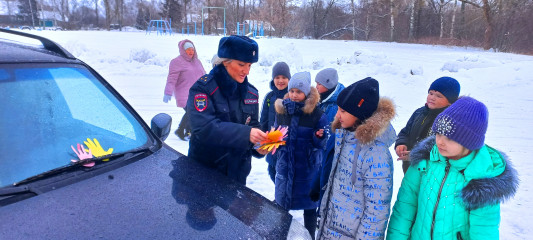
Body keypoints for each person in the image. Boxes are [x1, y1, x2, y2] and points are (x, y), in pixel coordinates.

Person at [386, 96, 519, 240]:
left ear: (468, 142)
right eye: (438, 133)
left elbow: (484, 230)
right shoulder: (425, 161)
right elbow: (405, 208)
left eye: (449, 138)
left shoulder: (482, 179)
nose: (440, 142)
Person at [316, 77, 397, 240]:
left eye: (343, 111)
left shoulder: (376, 155)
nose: (338, 115)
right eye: (338, 109)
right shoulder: (345, 136)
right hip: (331, 230)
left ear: (361, 113)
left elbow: (377, 211)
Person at [186, 35, 268, 185]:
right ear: (225, 62)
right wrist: (246, 134)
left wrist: (259, 146)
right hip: (205, 175)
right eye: (241, 64)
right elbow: (204, 128)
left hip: (237, 176)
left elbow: (253, 124)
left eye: (249, 65)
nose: (247, 71)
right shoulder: (203, 89)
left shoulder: (251, 93)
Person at [273, 71, 328, 239]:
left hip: (307, 169)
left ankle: (310, 235)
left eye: (298, 91)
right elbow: (276, 133)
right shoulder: (282, 111)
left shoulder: (317, 114)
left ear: (306, 93)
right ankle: (280, 234)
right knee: (282, 205)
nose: (294, 95)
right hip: (285, 165)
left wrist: (319, 137)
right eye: (292, 91)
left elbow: (323, 142)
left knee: (310, 207)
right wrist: (272, 140)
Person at [395, 76, 460, 174]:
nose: (432, 98)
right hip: (410, 168)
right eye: (431, 93)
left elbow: (444, 149)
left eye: (439, 96)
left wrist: (417, 155)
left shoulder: (450, 121)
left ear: (450, 102)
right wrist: (401, 143)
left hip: (432, 173)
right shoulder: (419, 113)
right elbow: (406, 132)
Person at [309, 68, 345, 212]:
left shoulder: (336, 105)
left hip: (329, 152)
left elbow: (332, 134)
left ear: (329, 84)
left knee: (326, 183)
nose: (316, 86)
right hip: (320, 149)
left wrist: (323, 137)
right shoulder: (322, 99)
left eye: (319, 84)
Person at [163, 39, 206, 140]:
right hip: (184, 93)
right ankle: (186, 132)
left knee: (194, 111)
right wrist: (168, 92)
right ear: (183, 50)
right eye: (188, 50)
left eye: (192, 49)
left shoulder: (197, 61)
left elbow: (204, 75)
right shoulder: (176, 62)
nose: (191, 52)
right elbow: (172, 78)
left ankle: (182, 131)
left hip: (198, 93)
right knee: (192, 111)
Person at [260, 61, 291, 183]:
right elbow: (264, 120)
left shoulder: (292, 96)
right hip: (272, 143)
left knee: (286, 176)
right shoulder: (269, 97)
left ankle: (285, 200)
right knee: (273, 172)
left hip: (286, 145)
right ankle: (279, 198)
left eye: (284, 77)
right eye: (277, 77)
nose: (280, 81)